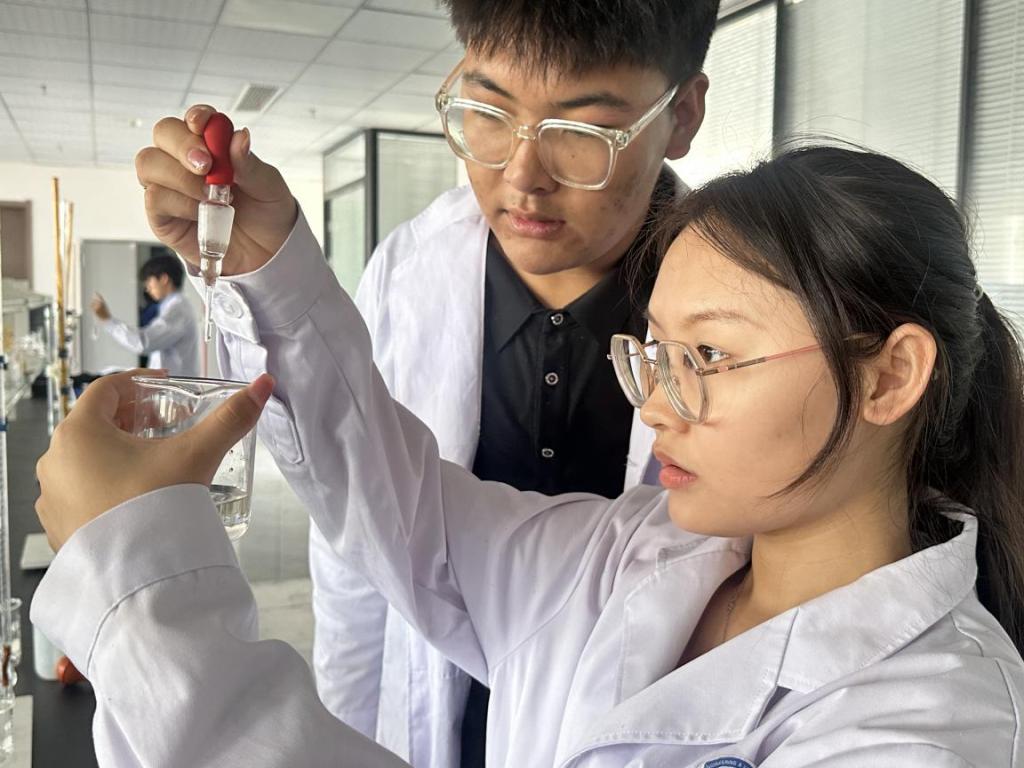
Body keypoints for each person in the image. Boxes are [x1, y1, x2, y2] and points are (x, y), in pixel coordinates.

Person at [33, 144, 1024, 766]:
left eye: (710, 357)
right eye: (655, 354)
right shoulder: (630, 552)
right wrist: (270, 267)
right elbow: (404, 509)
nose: (656, 405)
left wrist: (137, 589)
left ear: (891, 377)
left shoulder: (929, 727)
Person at [309, 3, 715, 764]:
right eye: (490, 113)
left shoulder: (743, 312)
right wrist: (349, 737)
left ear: (682, 115)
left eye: (582, 132)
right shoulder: (408, 271)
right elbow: (357, 554)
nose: (523, 177)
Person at [90, 252, 201, 376]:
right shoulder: (171, 307)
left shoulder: (178, 310)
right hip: (169, 383)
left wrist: (108, 321)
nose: (147, 288)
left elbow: (143, 343)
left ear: (164, 279)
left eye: (149, 281)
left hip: (176, 385)